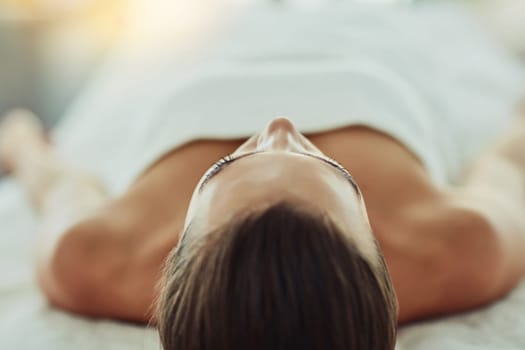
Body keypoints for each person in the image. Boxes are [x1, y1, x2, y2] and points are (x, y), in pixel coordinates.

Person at [1, 2, 525, 350]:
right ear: (380, 251)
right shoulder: (461, 251)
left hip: (212, 36)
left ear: (173, 251)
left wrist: (21, 140)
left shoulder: (89, 259)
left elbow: (58, 184)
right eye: (336, 173)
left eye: (222, 169)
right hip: (362, 31)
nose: (280, 125)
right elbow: (504, 161)